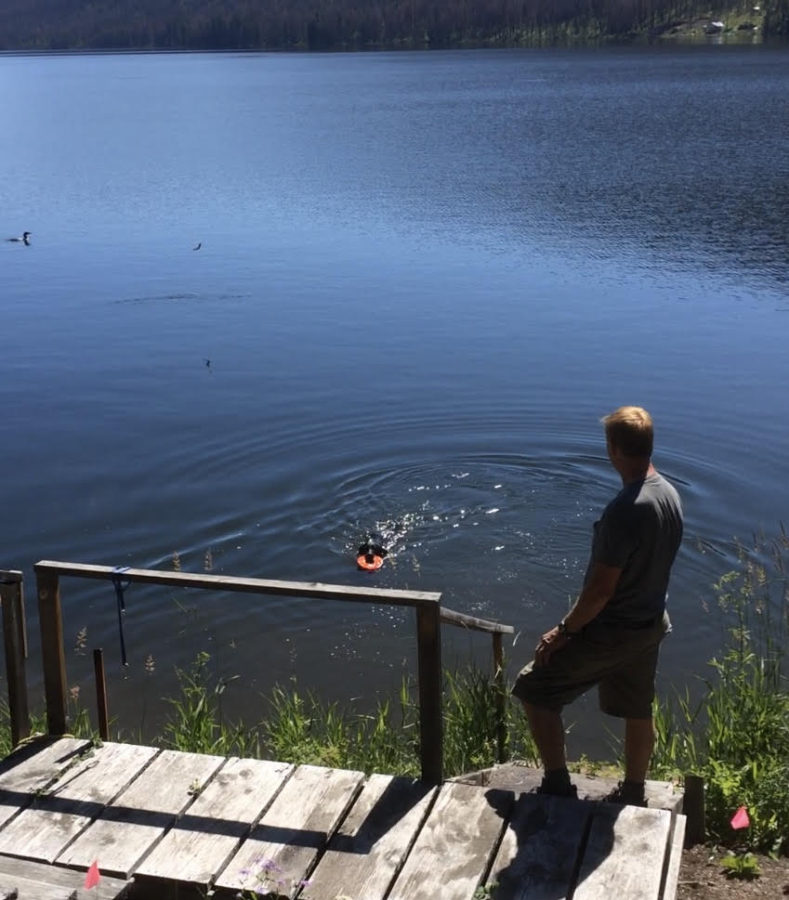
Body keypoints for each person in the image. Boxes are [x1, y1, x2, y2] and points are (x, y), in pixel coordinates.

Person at [511, 406, 683, 806]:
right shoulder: (669, 493)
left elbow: (601, 591)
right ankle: (635, 791)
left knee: (535, 688)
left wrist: (564, 631)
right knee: (639, 708)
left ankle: (557, 786)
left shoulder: (626, 509)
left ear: (613, 449)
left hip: (615, 629)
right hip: (651, 621)